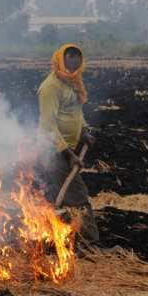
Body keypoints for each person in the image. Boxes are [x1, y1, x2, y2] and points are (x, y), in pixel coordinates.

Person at [37, 43, 100, 244]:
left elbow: (75, 112)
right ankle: (90, 245)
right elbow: (48, 126)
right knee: (79, 197)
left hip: (68, 149)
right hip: (54, 151)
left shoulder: (72, 83)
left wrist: (84, 131)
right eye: (69, 61)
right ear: (60, 61)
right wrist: (68, 154)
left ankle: (55, 241)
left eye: (77, 62)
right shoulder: (50, 88)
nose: (73, 67)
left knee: (56, 197)